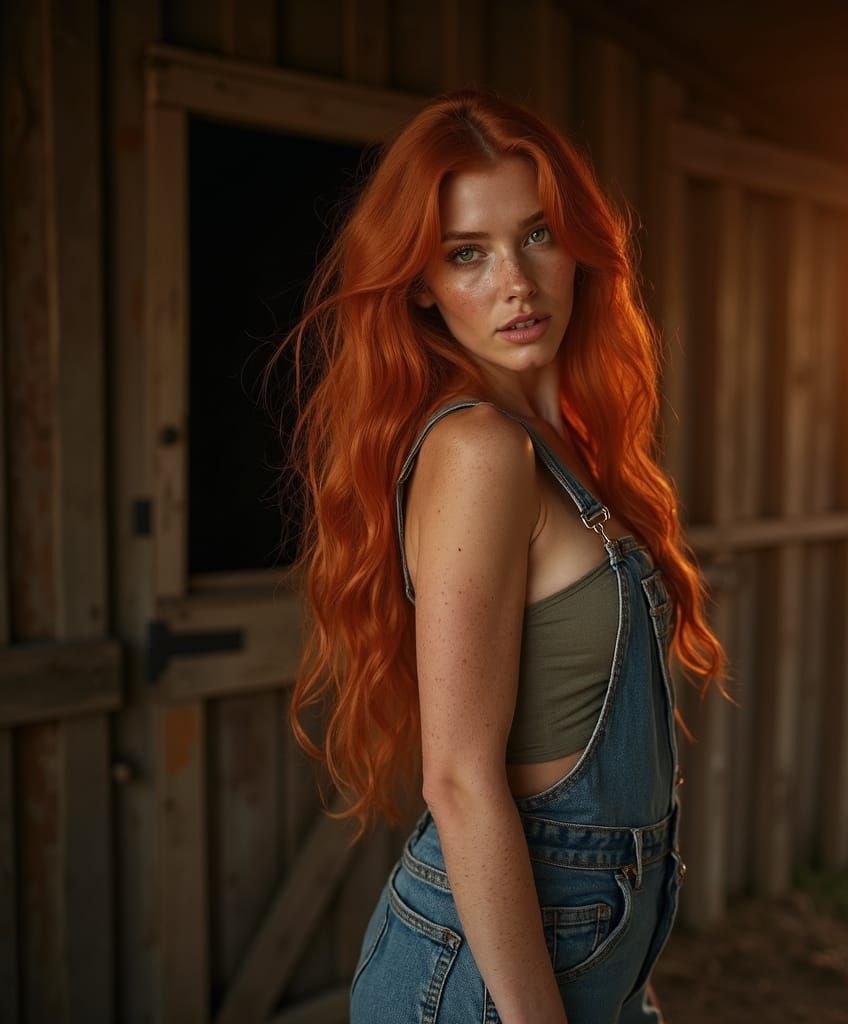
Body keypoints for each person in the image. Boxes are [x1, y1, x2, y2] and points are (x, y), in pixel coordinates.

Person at [278, 87, 730, 1023]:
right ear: (419, 283)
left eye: (538, 236)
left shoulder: (549, 444)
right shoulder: (478, 450)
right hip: (488, 980)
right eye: (467, 254)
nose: (516, 284)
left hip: (591, 951)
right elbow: (457, 774)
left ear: (580, 247)